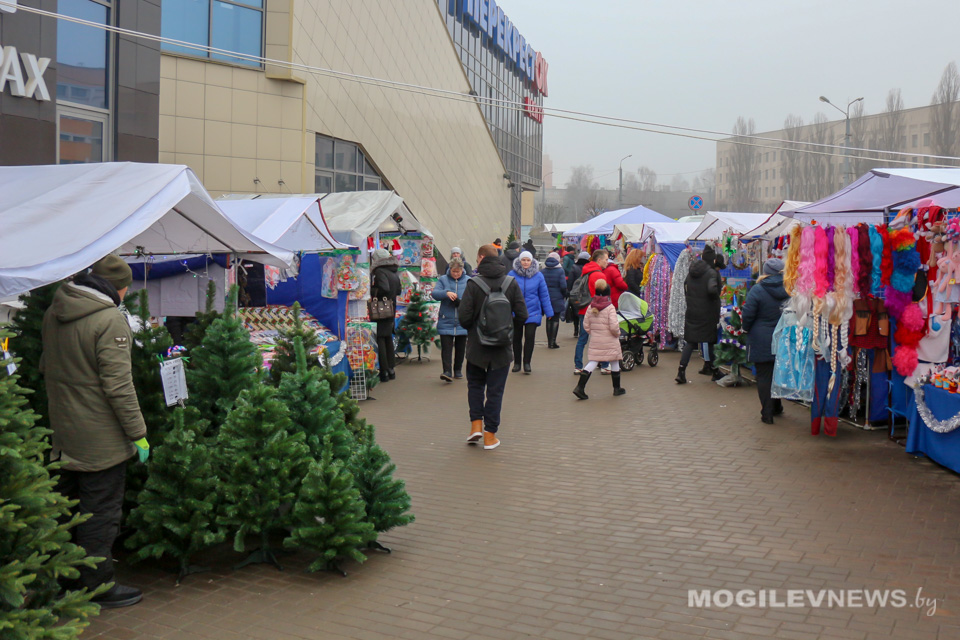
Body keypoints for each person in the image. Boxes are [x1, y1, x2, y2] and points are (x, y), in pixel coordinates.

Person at [41, 255, 147, 608]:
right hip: (101, 439)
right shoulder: (108, 321)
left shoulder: (53, 313)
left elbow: (46, 367)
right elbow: (118, 386)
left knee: (66, 508)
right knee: (100, 512)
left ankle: (60, 578)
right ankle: (98, 585)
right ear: (119, 287)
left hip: (62, 430)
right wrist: (138, 433)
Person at [459, 244, 528, 450]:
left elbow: (463, 318)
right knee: (495, 392)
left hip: (477, 349)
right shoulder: (511, 282)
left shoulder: (473, 284)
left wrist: (476, 329)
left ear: (480, 258)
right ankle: (490, 436)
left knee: (475, 386)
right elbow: (523, 315)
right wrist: (506, 329)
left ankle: (475, 426)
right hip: (502, 349)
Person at [742, 258, 788, 424]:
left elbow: (748, 313)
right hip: (783, 337)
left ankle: (767, 412)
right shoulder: (789, 288)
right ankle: (777, 406)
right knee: (778, 373)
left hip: (761, 338)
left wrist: (746, 328)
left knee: (764, 376)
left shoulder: (757, 289)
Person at [676, 244, 722, 384]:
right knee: (711, 342)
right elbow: (712, 290)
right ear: (712, 260)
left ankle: (681, 371)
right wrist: (715, 300)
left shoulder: (692, 272)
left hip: (692, 312)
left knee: (690, 342)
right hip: (707, 313)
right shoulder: (712, 273)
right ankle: (715, 371)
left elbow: (685, 287)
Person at [572, 280, 626, 399]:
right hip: (610, 339)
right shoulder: (610, 307)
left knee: (593, 361)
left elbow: (586, 325)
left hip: (596, 339)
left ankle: (580, 387)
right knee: (615, 360)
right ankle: (617, 388)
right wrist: (617, 333)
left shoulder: (590, 307)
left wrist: (595, 333)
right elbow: (613, 326)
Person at [508, 251, 553, 373]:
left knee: (529, 336)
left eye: (528, 260)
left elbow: (544, 295)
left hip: (533, 312)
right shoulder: (511, 275)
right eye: (523, 260)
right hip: (516, 312)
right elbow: (506, 293)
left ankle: (527, 363)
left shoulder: (538, 276)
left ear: (532, 261)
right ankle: (517, 363)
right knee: (516, 338)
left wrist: (549, 312)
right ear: (519, 261)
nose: (526, 262)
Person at [432, 258, 471, 381]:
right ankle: (447, 371)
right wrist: (446, 293)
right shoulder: (443, 279)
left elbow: (473, 298)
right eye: (454, 271)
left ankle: (458, 369)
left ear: (462, 270)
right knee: (446, 347)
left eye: (458, 271)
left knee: (461, 347)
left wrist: (462, 301)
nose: (455, 274)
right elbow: (434, 294)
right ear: (450, 269)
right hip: (446, 318)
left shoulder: (468, 281)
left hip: (462, 319)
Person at [573, 250, 612, 373]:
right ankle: (605, 365)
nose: (607, 262)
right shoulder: (599, 275)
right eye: (606, 259)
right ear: (599, 260)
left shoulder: (586, 271)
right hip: (596, 310)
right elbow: (601, 296)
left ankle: (578, 366)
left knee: (582, 339)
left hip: (584, 309)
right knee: (601, 338)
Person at [370, 248, 401, 382]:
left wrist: (372, 290)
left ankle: (384, 371)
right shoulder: (393, 271)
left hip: (380, 308)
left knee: (381, 338)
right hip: (391, 307)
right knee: (387, 336)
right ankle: (391, 369)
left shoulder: (380, 271)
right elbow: (398, 290)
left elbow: (384, 288)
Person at [541, 251, 567, 349]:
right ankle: (553, 342)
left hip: (546, 298)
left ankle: (548, 342)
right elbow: (563, 286)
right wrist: (564, 295)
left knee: (549, 318)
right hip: (557, 298)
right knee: (556, 319)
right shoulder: (560, 271)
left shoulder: (542, 271)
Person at [567, 251, 589, 338]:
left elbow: (570, 281)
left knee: (575, 312)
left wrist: (569, 292)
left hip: (575, 293)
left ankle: (576, 330)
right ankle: (582, 331)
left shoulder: (574, 267)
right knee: (583, 313)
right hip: (586, 293)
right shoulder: (588, 267)